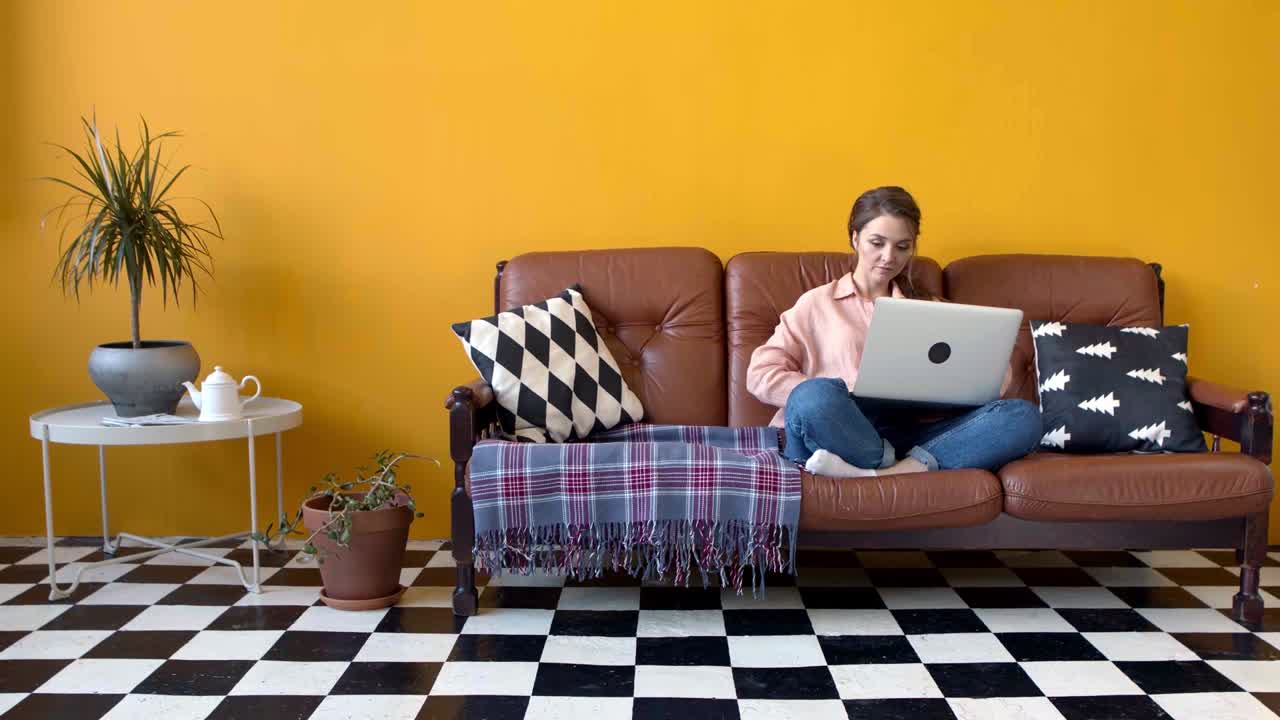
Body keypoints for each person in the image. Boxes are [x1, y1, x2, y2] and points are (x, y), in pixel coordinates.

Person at [746, 186, 1041, 478]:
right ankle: (893, 462)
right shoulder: (817, 303)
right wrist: (845, 391)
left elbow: (995, 381)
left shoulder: (928, 308)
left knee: (1021, 416)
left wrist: (986, 375)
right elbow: (760, 374)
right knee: (812, 396)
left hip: (910, 432)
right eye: (877, 243)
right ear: (855, 239)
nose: (889, 257)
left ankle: (884, 472)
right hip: (842, 428)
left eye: (902, 247)